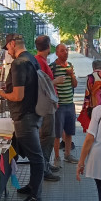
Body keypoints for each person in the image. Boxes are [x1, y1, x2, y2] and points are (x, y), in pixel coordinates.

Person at [0, 34, 44, 201]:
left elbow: (18, 96)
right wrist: (9, 88)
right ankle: (32, 188)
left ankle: (35, 197)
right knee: (34, 156)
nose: (8, 53)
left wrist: (1, 93)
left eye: (7, 48)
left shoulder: (19, 63)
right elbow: (27, 88)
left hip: (24, 117)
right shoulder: (32, 59)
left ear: (13, 44)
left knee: (36, 157)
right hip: (33, 113)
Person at [34, 35, 61, 182]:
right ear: (48, 46)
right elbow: (43, 85)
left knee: (48, 136)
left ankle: (46, 165)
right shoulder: (39, 61)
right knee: (47, 137)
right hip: (45, 106)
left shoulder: (41, 61)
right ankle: (44, 169)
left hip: (48, 104)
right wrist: (56, 81)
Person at [50, 44, 79, 166]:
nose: (65, 52)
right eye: (62, 51)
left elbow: (75, 85)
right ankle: (57, 157)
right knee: (57, 133)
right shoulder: (53, 67)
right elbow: (47, 85)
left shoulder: (70, 66)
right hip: (59, 106)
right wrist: (55, 81)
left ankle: (67, 155)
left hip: (70, 104)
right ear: (57, 53)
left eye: (66, 50)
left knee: (69, 132)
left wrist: (72, 75)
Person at [77, 60, 101, 132]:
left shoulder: (90, 77)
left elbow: (87, 93)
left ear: (93, 67)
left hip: (93, 106)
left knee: (94, 128)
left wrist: (85, 107)